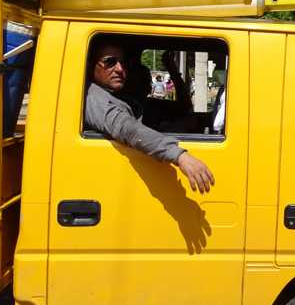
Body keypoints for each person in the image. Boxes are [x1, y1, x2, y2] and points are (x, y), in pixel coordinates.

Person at [84, 40, 214, 193]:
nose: (120, 69)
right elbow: (126, 128)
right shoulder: (94, 98)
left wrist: (173, 70)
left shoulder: (129, 100)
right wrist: (179, 156)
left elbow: (183, 107)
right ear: (91, 65)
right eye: (110, 62)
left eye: (124, 63)